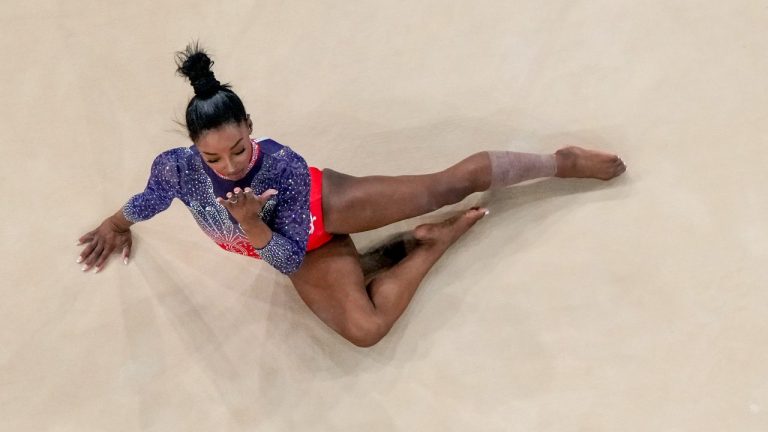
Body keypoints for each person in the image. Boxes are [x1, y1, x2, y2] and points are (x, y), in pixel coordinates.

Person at [77, 43, 626, 347]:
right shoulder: (177, 170)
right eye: (213, 158)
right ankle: (430, 244)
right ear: (193, 149)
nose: (230, 166)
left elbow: (287, 244)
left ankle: (561, 161)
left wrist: (252, 223)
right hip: (306, 250)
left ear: (250, 127)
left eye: (240, 150)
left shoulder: (282, 165)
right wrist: (117, 221)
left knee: (449, 184)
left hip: (326, 206)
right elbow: (288, 259)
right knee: (365, 330)